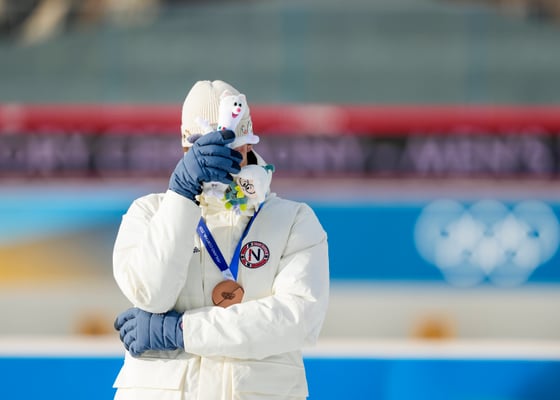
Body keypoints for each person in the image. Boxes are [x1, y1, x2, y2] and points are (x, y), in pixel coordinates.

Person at [112, 80, 330, 400]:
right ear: (186, 150)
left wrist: (182, 331)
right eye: (206, 150)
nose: (221, 161)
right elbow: (152, 294)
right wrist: (181, 196)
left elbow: (296, 319)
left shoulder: (294, 220)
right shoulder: (148, 213)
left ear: (247, 146)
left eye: (230, 148)